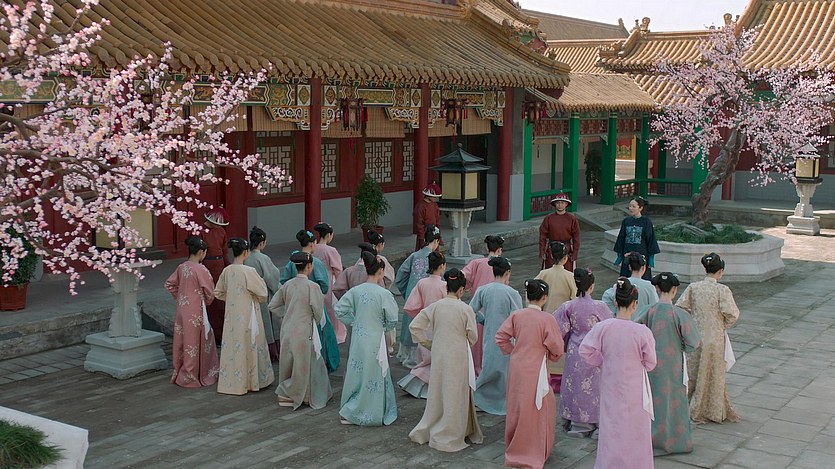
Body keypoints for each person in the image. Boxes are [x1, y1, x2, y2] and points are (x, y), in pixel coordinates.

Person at [580, 277, 657, 469]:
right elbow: (651, 362)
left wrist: (602, 361)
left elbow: (585, 350)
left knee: (611, 427)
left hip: (610, 385)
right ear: (635, 304)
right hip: (635, 389)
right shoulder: (642, 331)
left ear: (615, 302)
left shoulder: (603, 327)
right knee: (636, 429)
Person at [408, 268, 483, 452]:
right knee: (455, 391)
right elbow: (473, 336)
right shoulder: (465, 309)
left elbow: (415, 325)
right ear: (461, 290)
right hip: (458, 354)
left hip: (439, 353)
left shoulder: (436, 306)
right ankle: (452, 429)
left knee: (438, 389)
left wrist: (428, 343)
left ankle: (435, 423)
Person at [496, 279, 565, 469]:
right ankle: (533, 449)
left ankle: (515, 448)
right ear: (545, 298)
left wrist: (514, 351)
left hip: (517, 367)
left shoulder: (517, 315)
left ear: (527, 295)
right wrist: (549, 355)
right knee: (537, 409)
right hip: (537, 369)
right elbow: (557, 348)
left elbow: (500, 337)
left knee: (516, 408)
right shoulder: (547, 319)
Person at [634, 272, 701, 455]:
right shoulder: (679, 314)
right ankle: (675, 442)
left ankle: (649, 440)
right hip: (673, 365)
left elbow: (636, 332)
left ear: (657, 288)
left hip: (651, 364)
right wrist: (680, 346)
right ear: (674, 290)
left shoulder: (647, 311)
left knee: (652, 400)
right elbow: (693, 342)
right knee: (674, 401)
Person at [334, 251, 400, 426]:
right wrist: (383, 327)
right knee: (374, 374)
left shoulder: (355, 291)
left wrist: (354, 321)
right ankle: (372, 410)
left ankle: (350, 409)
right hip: (376, 337)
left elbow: (339, 309)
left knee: (357, 373)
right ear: (381, 272)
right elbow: (392, 319)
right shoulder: (384, 294)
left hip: (358, 337)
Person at [676, 252, 741, 424]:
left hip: (696, 336)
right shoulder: (722, 290)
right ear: (721, 271)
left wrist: (692, 321)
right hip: (715, 337)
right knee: (714, 374)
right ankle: (712, 410)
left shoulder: (693, 288)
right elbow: (732, 314)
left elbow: (680, 307)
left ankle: (690, 406)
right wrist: (721, 325)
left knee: (694, 373)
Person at [268, 251, 332, 410]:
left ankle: (286, 393)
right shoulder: (313, 286)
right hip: (304, 330)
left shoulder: (287, 285)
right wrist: (314, 319)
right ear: (309, 266)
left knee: (288, 363)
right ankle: (302, 395)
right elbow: (317, 310)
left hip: (287, 328)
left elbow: (273, 305)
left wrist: (287, 314)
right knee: (304, 365)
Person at [553, 268, 612, 438]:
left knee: (575, 385)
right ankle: (595, 422)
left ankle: (575, 422)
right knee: (594, 388)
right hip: (594, 351)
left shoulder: (568, 306)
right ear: (591, 286)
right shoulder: (600, 307)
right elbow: (609, 328)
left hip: (575, 351)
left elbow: (558, 328)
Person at [214, 238, 275, 395]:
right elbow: (262, 293)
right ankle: (253, 381)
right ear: (246, 252)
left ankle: (232, 383)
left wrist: (232, 298)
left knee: (233, 345)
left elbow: (218, 292)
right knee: (251, 342)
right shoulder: (249, 271)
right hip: (249, 312)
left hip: (232, 314)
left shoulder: (227, 271)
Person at [469, 256, 523, 415]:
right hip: (507, 338)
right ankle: (504, 401)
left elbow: (470, 310)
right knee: (505, 371)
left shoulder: (483, 290)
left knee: (488, 367)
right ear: (507, 273)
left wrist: (483, 320)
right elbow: (518, 318)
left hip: (489, 335)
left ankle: (481, 398)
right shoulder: (512, 293)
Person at [280, 230, 339, 374]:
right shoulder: (315, 262)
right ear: (313, 243)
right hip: (313, 303)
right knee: (320, 334)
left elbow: (283, 281)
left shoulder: (292, 261)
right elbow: (324, 285)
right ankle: (320, 364)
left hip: (295, 305)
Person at [165, 236, 220, 388]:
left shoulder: (182, 267)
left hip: (182, 309)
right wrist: (205, 300)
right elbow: (210, 292)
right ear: (201, 252)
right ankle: (193, 375)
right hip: (196, 309)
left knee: (183, 340)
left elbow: (169, 284)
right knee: (196, 342)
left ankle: (181, 372)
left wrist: (181, 297)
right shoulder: (201, 269)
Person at [398, 251, 447, 399]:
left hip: (425, 326)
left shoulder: (422, 283)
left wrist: (420, 318)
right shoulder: (444, 286)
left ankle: (416, 385)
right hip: (440, 326)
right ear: (442, 266)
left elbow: (410, 306)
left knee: (425, 358)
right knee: (437, 359)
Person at [394, 224, 441, 368]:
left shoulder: (414, 256)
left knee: (411, 324)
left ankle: (408, 355)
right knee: (427, 326)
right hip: (430, 296)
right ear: (436, 241)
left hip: (413, 296)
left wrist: (407, 292)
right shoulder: (437, 258)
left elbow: (400, 278)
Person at [461, 234, 505, 376]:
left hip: (478, 306)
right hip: (495, 308)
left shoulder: (477, 263)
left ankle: (474, 367)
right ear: (500, 250)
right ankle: (489, 369)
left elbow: (462, 276)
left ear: (487, 248)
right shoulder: (503, 266)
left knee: (476, 338)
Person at [243, 226, 281, 361]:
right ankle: (271, 351)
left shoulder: (245, 257)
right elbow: (272, 278)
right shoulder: (263, 258)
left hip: (249, 296)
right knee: (267, 324)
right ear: (262, 243)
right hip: (263, 295)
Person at [313, 222, 347, 344]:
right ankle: (336, 334)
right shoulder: (331, 250)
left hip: (315, 279)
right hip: (329, 279)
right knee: (332, 309)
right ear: (328, 235)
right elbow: (338, 269)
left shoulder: (314, 248)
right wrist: (341, 283)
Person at [614, 196, 660, 280]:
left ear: (640, 208)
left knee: (642, 278)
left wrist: (651, 258)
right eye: (630, 206)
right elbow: (621, 238)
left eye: (633, 206)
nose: (631, 208)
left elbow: (651, 239)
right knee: (626, 279)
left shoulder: (646, 222)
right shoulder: (626, 221)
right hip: (627, 254)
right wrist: (620, 256)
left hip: (641, 254)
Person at [202, 206, 230, 342]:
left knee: (220, 300)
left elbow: (224, 251)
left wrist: (228, 266)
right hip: (206, 264)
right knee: (209, 299)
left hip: (219, 265)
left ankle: (222, 333)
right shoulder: (200, 231)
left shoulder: (221, 231)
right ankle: (211, 333)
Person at [538, 192, 581, 271]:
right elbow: (542, 236)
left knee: (567, 272)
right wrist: (542, 251)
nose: (560, 205)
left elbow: (576, 237)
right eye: (558, 203)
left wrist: (575, 253)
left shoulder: (572, 219)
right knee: (550, 271)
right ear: (555, 204)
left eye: (562, 203)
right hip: (551, 248)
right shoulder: (548, 218)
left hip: (566, 249)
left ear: (566, 204)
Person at [535, 241, 577, 314]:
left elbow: (531, 291)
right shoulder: (570, 276)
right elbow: (574, 298)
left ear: (552, 256)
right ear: (565, 258)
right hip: (564, 316)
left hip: (546, 314)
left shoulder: (543, 274)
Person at [413, 182, 443, 251]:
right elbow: (419, 223)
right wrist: (422, 238)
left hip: (434, 232)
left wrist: (439, 236)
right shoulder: (420, 206)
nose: (435, 198)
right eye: (434, 197)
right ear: (428, 195)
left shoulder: (435, 205)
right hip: (425, 232)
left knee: (435, 254)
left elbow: (437, 221)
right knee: (424, 253)